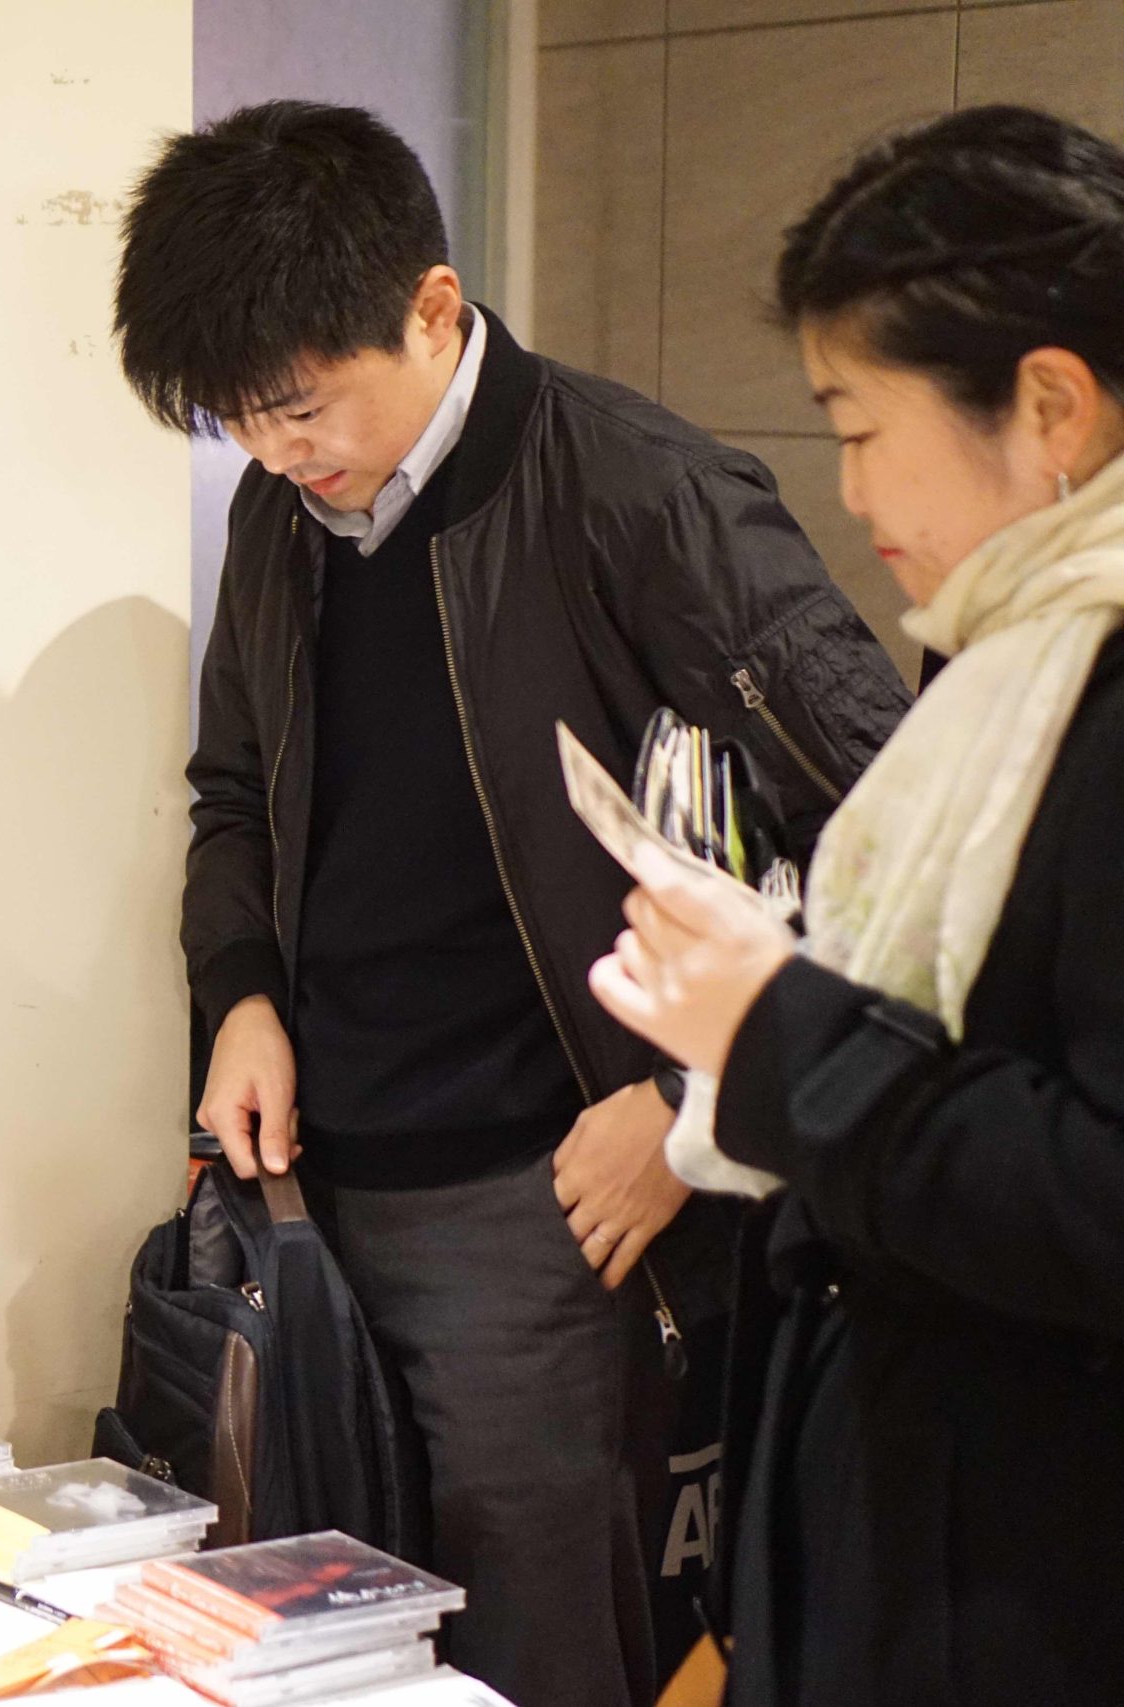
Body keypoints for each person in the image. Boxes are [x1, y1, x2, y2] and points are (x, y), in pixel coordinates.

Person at [115, 101, 909, 1706]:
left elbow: (888, 833)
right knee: (328, 1661)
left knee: (536, 1655)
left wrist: (689, 1108)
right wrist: (242, 987)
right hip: (314, 1197)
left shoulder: (644, 495)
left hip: (548, 1203)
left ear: (432, 307)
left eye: (299, 406)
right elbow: (232, 794)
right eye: (239, 422)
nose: (276, 452)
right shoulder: (285, 514)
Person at [590, 105, 1124, 1707]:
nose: (850, 483)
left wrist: (776, 1027)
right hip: (901, 1523)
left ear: (1050, 405)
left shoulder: (1089, 675)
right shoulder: (1008, 646)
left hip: (1031, 1573)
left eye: (864, 424)